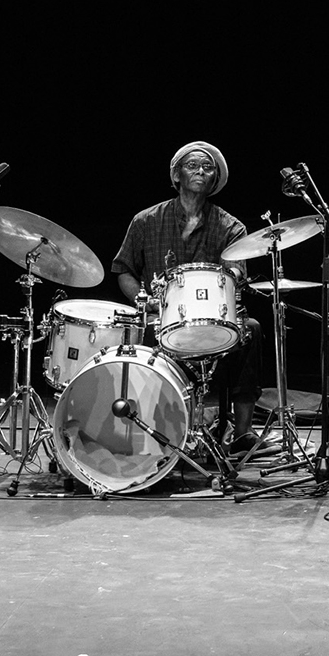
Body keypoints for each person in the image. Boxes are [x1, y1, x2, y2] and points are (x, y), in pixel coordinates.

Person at [111, 141, 265, 457]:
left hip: (212, 318)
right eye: (192, 165)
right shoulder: (146, 220)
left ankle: (242, 432)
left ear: (214, 180)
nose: (200, 172)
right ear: (177, 175)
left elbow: (237, 271)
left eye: (207, 168)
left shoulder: (231, 226)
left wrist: (233, 274)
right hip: (160, 316)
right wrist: (144, 298)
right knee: (140, 330)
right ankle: (147, 425)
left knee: (251, 329)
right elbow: (124, 270)